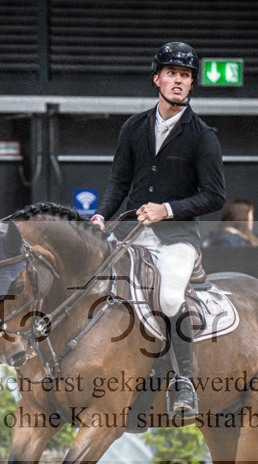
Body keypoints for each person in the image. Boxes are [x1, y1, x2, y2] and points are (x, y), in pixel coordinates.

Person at [91, 41, 226, 418]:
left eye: (185, 76)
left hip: (177, 239)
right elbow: (118, 182)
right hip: (132, 234)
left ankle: (184, 384)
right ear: (157, 79)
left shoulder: (203, 136)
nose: (179, 81)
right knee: (99, 288)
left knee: (168, 299)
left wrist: (167, 210)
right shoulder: (133, 127)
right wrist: (101, 215)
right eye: (172, 74)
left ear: (191, 84)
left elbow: (215, 196)